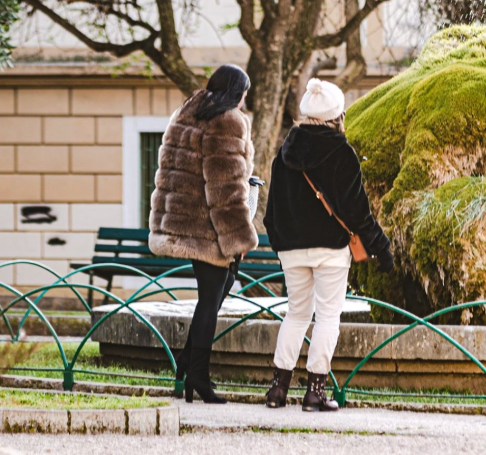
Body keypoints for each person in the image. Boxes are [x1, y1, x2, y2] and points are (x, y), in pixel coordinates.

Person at [263, 79, 394, 412]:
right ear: (337, 115)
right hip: (330, 250)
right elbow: (357, 211)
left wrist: (280, 243)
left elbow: (272, 209)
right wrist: (380, 246)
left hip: (291, 250)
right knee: (327, 317)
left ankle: (277, 389)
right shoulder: (341, 152)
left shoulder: (285, 151)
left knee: (295, 314)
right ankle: (315, 393)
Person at [148, 64, 259, 404]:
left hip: (183, 224)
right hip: (207, 228)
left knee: (219, 289)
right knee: (211, 299)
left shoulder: (186, 112)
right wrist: (239, 239)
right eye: (243, 93)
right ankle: (199, 376)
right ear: (234, 93)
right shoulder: (226, 120)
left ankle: (186, 362)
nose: (243, 100)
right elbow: (224, 190)